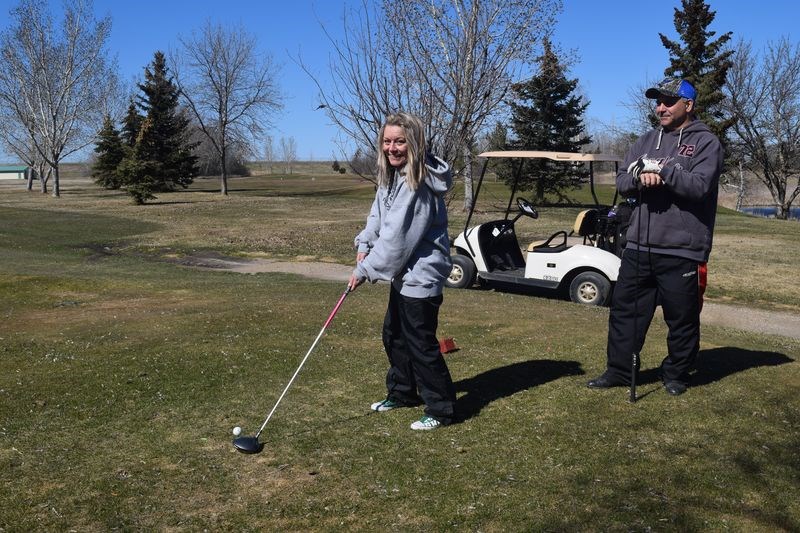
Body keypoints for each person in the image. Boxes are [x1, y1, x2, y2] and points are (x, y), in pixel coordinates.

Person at [587, 77, 723, 396]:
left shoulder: (706, 143)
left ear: (688, 105)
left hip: (682, 249)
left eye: (668, 101)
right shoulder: (646, 140)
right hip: (639, 244)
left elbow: (699, 186)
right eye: (658, 100)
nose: (660, 107)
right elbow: (622, 180)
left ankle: (676, 373)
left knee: (681, 317)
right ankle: (619, 371)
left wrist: (664, 173)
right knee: (626, 312)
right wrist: (637, 176)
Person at [348, 112, 456, 430]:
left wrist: (366, 269)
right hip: (403, 275)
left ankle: (442, 409)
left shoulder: (418, 185)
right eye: (387, 141)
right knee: (394, 336)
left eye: (399, 141)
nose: (392, 148)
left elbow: (396, 239)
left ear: (414, 143)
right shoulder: (393, 176)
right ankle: (403, 392)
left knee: (420, 344)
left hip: (422, 275)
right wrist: (365, 241)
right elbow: (379, 215)